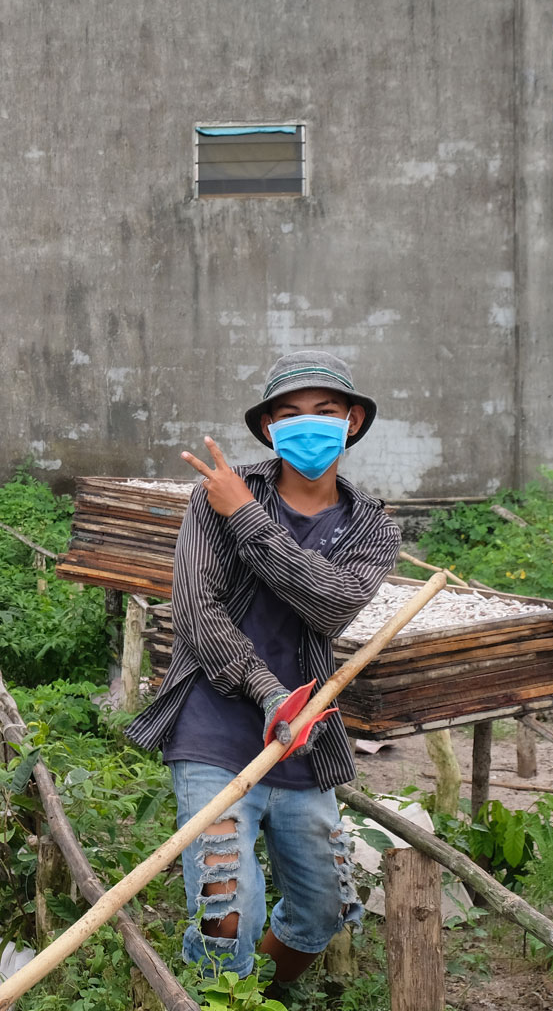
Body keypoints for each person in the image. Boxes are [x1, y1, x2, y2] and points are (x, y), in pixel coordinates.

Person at [125, 350, 401, 988]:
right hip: (215, 728)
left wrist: (246, 520)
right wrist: (268, 691)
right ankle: (226, 993)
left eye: (324, 412)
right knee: (227, 914)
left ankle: (257, 995)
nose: (308, 426)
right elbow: (196, 612)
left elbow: (330, 605)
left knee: (324, 906)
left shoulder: (369, 525)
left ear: (353, 420)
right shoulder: (214, 496)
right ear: (269, 428)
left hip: (303, 741)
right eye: (290, 414)